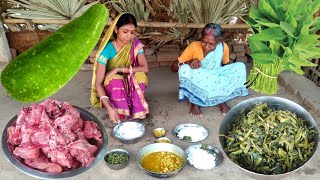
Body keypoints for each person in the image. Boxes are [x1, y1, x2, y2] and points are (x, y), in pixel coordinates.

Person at [171, 23, 248, 117]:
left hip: (214, 78)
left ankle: (220, 99)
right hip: (198, 79)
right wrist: (189, 61)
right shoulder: (194, 46)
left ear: (219, 41)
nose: (206, 46)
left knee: (240, 67)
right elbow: (173, 68)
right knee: (184, 69)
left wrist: (224, 78)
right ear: (201, 37)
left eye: (211, 44)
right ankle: (195, 102)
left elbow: (225, 65)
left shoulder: (223, 47)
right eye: (204, 42)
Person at [91, 13, 149, 123]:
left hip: (130, 78)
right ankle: (119, 110)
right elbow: (98, 83)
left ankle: (137, 109)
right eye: (125, 31)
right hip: (113, 85)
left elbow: (145, 68)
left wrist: (120, 69)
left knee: (141, 76)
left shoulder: (135, 44)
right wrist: (108, 108)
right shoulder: (107, 50)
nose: (129, 36)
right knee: (116, 81)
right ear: (116, 29)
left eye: (132, 33)